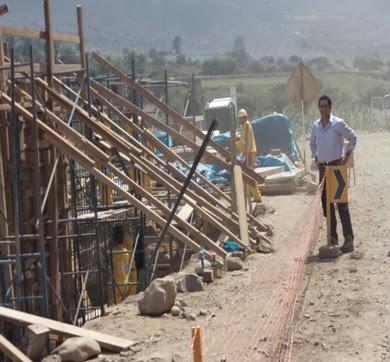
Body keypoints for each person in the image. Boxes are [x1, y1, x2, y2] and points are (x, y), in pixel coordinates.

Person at [310, 95, 357, 252]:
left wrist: (347, 157)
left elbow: (352, 138)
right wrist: (316, 157)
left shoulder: (338, 123)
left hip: (337, 168)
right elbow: (312, 143)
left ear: (330, 107)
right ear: (319, 108)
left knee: (341, 205)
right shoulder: (316, 126)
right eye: (321, 106)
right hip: (323, 169)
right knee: (327, 205)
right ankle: (332, 238)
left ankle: (348, 239)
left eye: (326, 106)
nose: (323, 109)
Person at [235, 108, 262, 202]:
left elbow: (244, 142)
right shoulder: (243, 126)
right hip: (247, 152)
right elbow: (242, 138)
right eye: (239, 118)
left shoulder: (246, 125)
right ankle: (251, 196)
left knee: (250, 176)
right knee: (247, 175)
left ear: (245, 117)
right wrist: (237, 137)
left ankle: (257, 196)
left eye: (242, 118)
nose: (240, 120)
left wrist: (235, 144)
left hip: (249, 152)